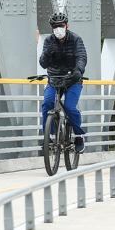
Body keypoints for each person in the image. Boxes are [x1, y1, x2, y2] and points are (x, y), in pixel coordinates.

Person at [39, 11, 87, 153]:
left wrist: (78, 70)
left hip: (72, 80)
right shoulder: (49, 41)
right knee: (47, 103)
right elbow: (43, 63)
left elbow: (82, 57)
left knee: (70, 107)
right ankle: (50, 137)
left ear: (67, 26)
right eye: (55, 27)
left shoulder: (76, 39)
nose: (58, 29)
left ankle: (78, 136)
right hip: (54, 79)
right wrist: (48, 53)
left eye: (60, 26)